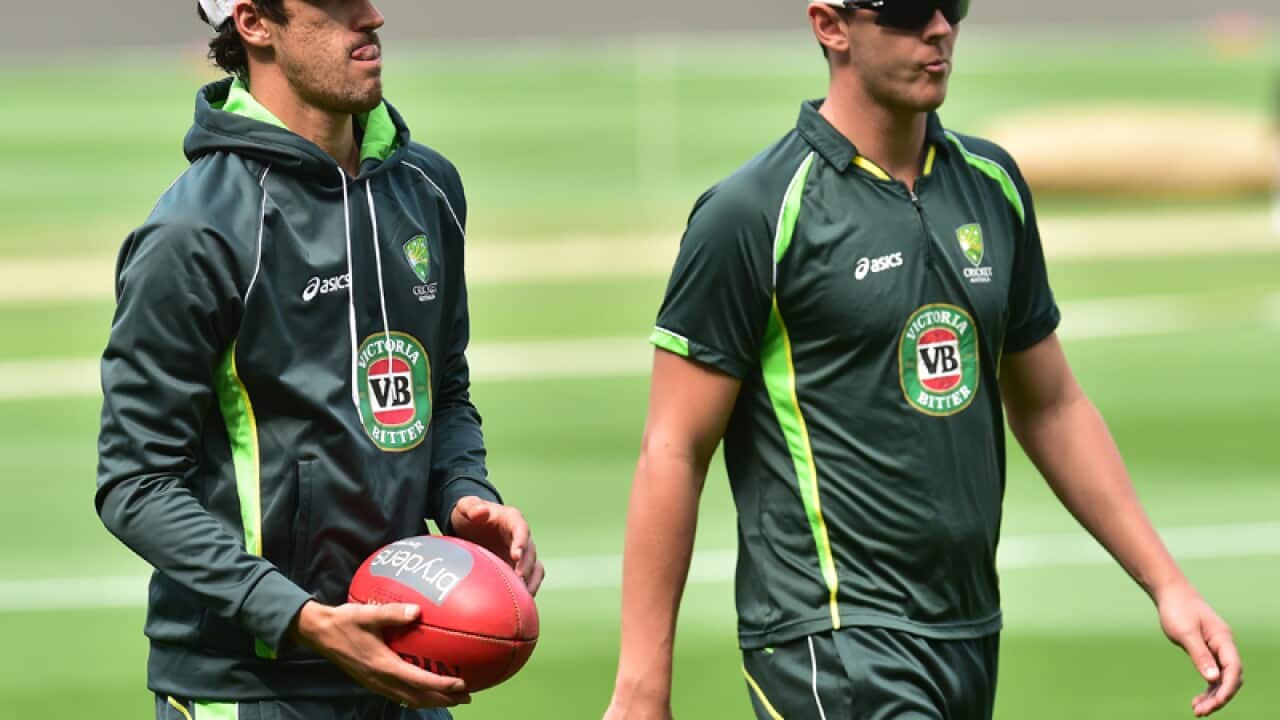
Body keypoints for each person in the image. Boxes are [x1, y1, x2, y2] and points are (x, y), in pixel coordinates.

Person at [603, 2, 1243, 719]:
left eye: (954, 5)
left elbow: (1051, 404)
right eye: (908, 9)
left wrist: (1168, 586)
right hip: (832, 639)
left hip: (968, 631)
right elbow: (673, 448)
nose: (940, 29)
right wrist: (641, 688)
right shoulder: (752, 213)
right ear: (831, 25)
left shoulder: (992, 186)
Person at [95, 1, 545, 718]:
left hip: (409, 664)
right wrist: (301, 618)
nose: (372, 18)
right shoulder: (194, 232)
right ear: (253, 22)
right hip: (250, 687)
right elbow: (136, 482)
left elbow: (442, 391)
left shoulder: (427, 188)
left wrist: (465, 494)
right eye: (335, 5)